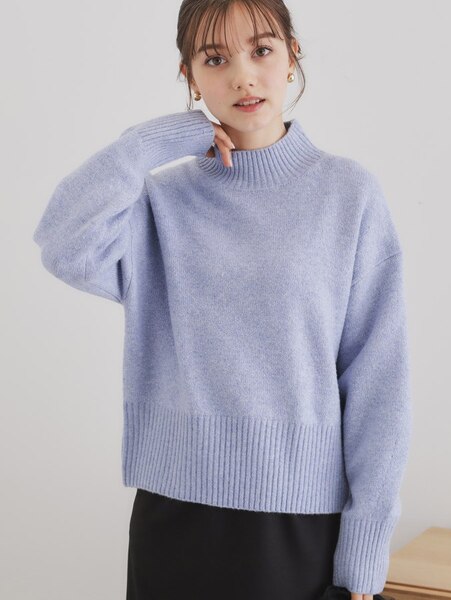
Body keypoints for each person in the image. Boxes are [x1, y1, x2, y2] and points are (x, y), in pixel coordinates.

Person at [32, 1, 412, 599]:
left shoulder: (348, 194)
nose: (243, 76)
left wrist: (366, 543)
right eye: (215, 59)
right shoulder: (160, 202)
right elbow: (62, 243)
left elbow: (378, 380)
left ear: (292, 57)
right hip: (173, 511)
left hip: (297, 520)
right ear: (189, 75)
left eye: (261, 50)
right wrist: (152, 141)